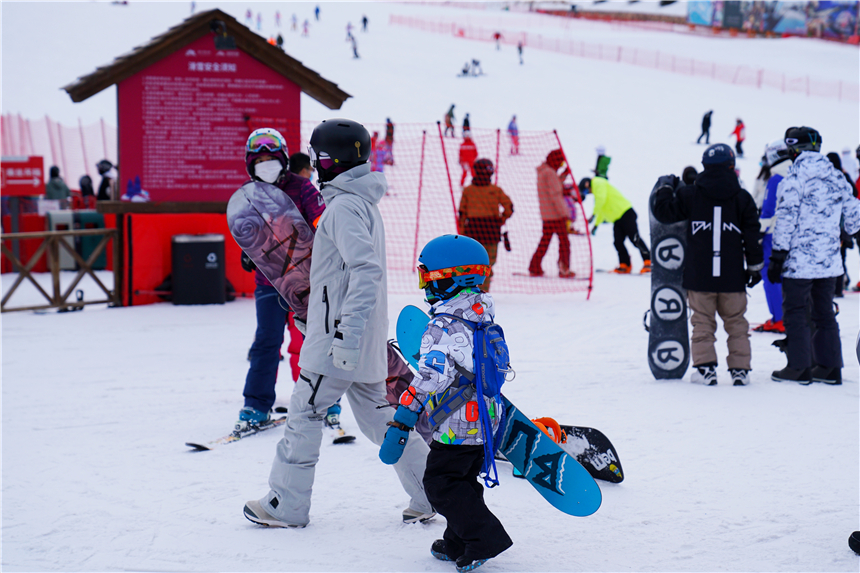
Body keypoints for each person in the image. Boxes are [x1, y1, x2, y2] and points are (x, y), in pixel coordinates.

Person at [244, 118, 433, 529]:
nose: (313, 163)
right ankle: (431, 491)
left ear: (333, 160)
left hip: (337, 339)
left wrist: (344, 333)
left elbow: (365, 272)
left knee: (305, 414)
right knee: (381, 418)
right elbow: (340, 274)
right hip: (353, 334)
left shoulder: (344, 208)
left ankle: (286, 504)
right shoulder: (359, 203)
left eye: (318, 157)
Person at [379, 234, 513, 572]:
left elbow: (431, 378)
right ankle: (458, 540)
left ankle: (485, 538)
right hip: (485, 417)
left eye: (427, 276)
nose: (424, 285)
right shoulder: (483, 315)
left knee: (440, 486)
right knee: (463, 480)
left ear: (449, 277)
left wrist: (404, 416)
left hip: (456, 425)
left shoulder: (440, 326)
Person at [652, 143, 763, 386]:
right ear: (732, 166)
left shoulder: (690, 194)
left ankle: (705, 370)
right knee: (736, 323)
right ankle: (740, 370)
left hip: (699, 275)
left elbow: (664, 213)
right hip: (733, 277)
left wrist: (666, 187)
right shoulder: (742, 198)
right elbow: (752, 235)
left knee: (702, 323)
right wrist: (755, 268)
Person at [238, 129, 327, 429]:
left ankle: (323, 401)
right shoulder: (248, 195)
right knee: (267, 341)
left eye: (271, 159)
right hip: (269, 282)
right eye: (259, 160)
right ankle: (256, 405)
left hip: (305, 281)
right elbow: (244, 227)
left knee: (312, 341)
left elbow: (321, 221)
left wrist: (317, 238)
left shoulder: (302, 188)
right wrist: (248, 249)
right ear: (251, 165)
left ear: (283, 160)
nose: (266, 165)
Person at [768, 127, 860, 385]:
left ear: (793, 149)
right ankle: (829, 368)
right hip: (830, 262)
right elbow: (854, 215)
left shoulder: (794, 180)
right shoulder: (837, 177)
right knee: (824, 313)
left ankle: (799, 368)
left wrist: (777, 257)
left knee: (796, 311)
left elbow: (785, 220)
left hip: (800, 263)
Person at [458, 159, 513, 291]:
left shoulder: (468, 191)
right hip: (491, 228)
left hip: (473, 229)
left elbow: (462, 213)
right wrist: (502, 219)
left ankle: (475, 286)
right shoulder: (495, 190)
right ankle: (483, 287)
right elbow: (509, 207)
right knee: (488, 261)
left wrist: (462, 231)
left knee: (474, 261)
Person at [580, 176, 651, 274]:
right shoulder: (598, 191)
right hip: (617, 219)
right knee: (618, 242)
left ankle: (649, 261)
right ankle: (625, 264)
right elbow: (602, 210)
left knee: (635, 238)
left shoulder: (598, 183)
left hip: (626, 213)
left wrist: (593, 214)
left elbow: (601, 200)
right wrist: (596, 225)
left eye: (587, 191)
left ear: (587, 185)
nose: (589, 194)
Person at [755, 139, 791, 334]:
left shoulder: (776, 178)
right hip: (793, 233)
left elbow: (768, 210)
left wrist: (758, 232)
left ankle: (779, 317)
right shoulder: (797, 175)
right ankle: (789, 316)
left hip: (774, 234)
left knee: (770, 274)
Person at [528, 149, 575, 278]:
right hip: (556, 214)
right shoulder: (550, 173)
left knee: (545, 240)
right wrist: (565, 213)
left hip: (547, 214)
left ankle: (534, 266)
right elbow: (555, 194)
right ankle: (564, 268)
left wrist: (563, 175)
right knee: (564, 242)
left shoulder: (544, 171)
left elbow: (555, 185)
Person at [825, 152, 857, 297]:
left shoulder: (828, 177)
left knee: (833, 257)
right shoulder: (843, 177)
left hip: (834, 224)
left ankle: (836, 288)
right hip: (841, 225)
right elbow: (854, 194)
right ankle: (839, 287)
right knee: (840, 257)